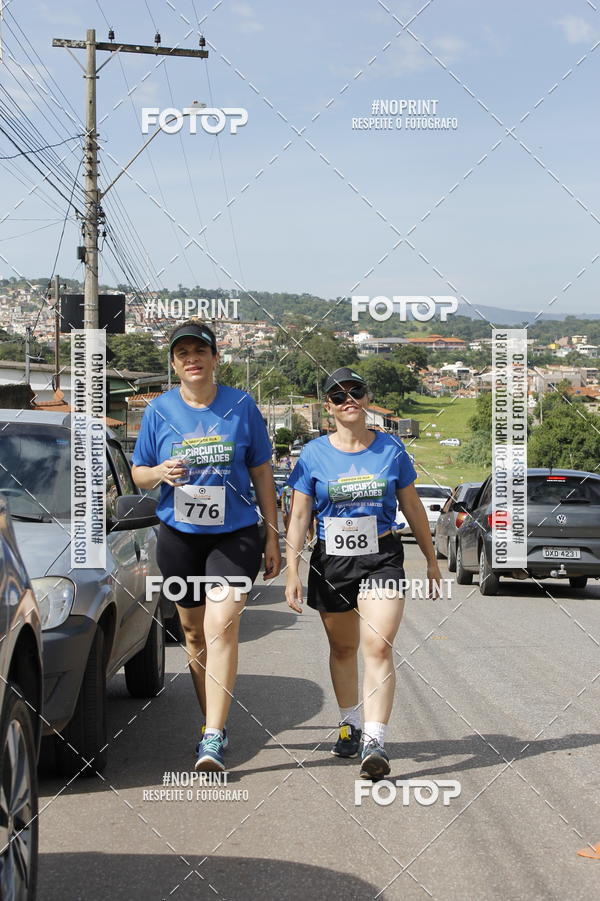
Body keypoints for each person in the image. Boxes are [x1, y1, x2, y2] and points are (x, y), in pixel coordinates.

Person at [131, 320, 281, 772]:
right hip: (179, 536)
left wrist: (272, 535)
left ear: (216, 358)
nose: (192, 358)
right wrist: (160, 473)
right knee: (193, 634)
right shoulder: (158, 410)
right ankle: (210, 722)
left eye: (200, 350)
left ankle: (212, 737)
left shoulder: (241, 405)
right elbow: (138, 471)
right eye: (182, 353)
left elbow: (261, 472)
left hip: (235, 534)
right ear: (175, 364)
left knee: (222, 625)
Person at [284, 367, 442, 779]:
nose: (348, 399)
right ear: (328, 406)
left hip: (382, 556)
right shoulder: (314, 453)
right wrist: (292, 569)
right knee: (343, 649)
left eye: (356, 392)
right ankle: (350, 724)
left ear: (367, 399)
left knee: (378, 645)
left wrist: (430, 559)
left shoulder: (390, 449)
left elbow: (413, 508)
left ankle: (375, 740)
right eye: (338, 395)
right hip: (331, 560)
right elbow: (300, 514)